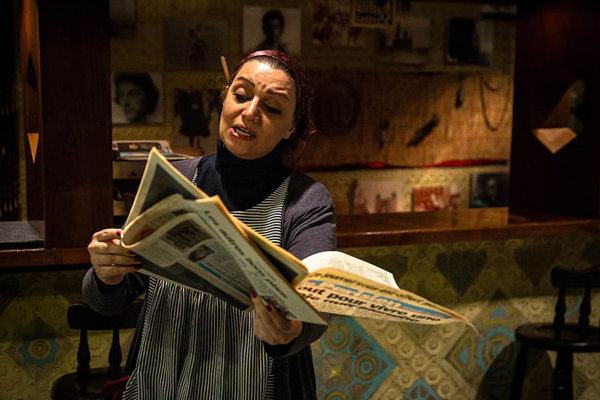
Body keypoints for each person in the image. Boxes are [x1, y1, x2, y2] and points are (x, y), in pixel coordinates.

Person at [85, 50, 336, 400]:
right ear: (225, 96)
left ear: (290, 128)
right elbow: (110, 300)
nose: (250, 112)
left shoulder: (306, 199)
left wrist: (292, 328)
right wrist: (106, 276)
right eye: (241, 95)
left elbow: (318, 301)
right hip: (161, 379)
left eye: (272, 108)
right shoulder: (175, 178)